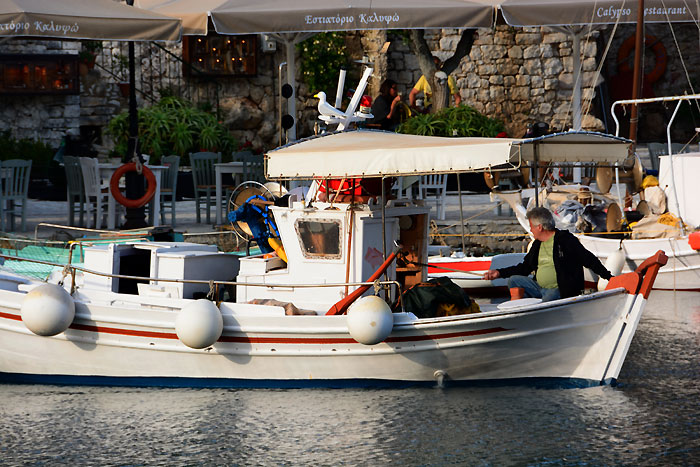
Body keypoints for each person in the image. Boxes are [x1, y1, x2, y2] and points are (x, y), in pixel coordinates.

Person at [482, 207, 613, 301]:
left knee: (549, 298)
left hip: (559, 290)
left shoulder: (566, 240)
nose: (531, 230)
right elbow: (525, 268)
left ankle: (539, 310)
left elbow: (589, 259)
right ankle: (521, 310)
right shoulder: (537, 244)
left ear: (539, 227)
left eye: (531, 226)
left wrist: (609, 278)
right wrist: (498, 273)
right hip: (538, 287)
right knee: (514, 280)